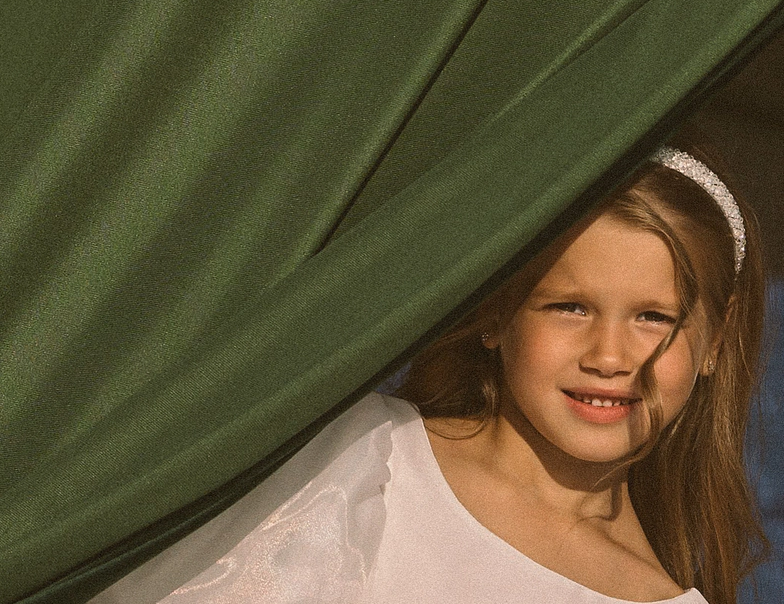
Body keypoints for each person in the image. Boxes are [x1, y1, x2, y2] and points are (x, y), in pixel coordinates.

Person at [93, 134, 767, 604]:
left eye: (653, 317)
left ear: (716, 337)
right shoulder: (358, 458)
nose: (610, 357)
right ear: (497, 311)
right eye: (569, 306)